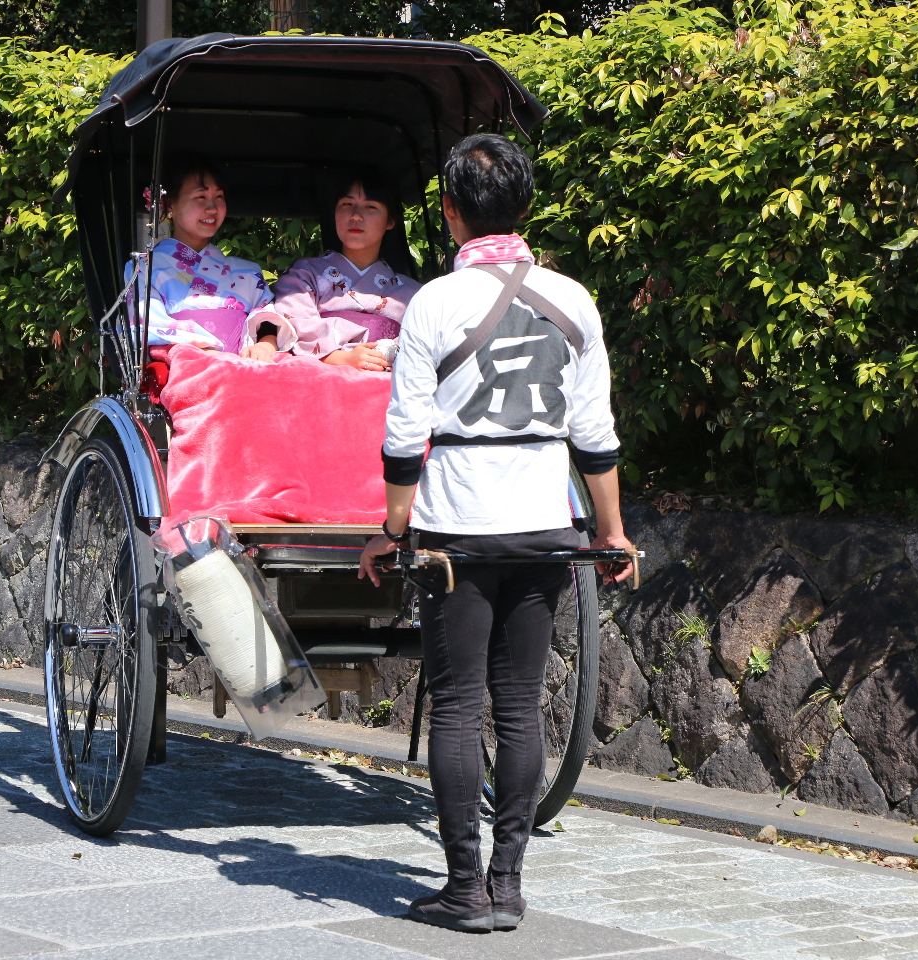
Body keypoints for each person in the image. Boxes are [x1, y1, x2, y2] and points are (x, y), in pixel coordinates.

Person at [358, 134, 633, 934]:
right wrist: (610, 532)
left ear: (449, 214)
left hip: (457, 529)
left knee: (455, 705)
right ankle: (508, 884)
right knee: (518, 706)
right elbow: (596, 433)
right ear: (528, 205)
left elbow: (405, 435)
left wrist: (391, 532)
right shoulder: (573, 299)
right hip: (546, 524)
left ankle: (464, 887)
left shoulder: (435, 305)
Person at [250, 171, 420, 371]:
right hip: (317, 380)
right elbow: (294, 326)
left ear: (391, 221)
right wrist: (340, 357)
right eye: (347, 205)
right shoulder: (303, 276)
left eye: (371, 207)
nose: (356, 216)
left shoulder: (414, 294)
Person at [127, 157, 280, 358]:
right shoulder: (145, 268)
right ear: (170, 203)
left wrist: (265, 346)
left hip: (243, 369)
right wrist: (205, 352)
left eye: (219, 196)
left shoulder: (248, 272)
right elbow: (148, 329)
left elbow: (268, 321)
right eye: (200, 197)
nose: (212, 208)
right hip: (182, 369)